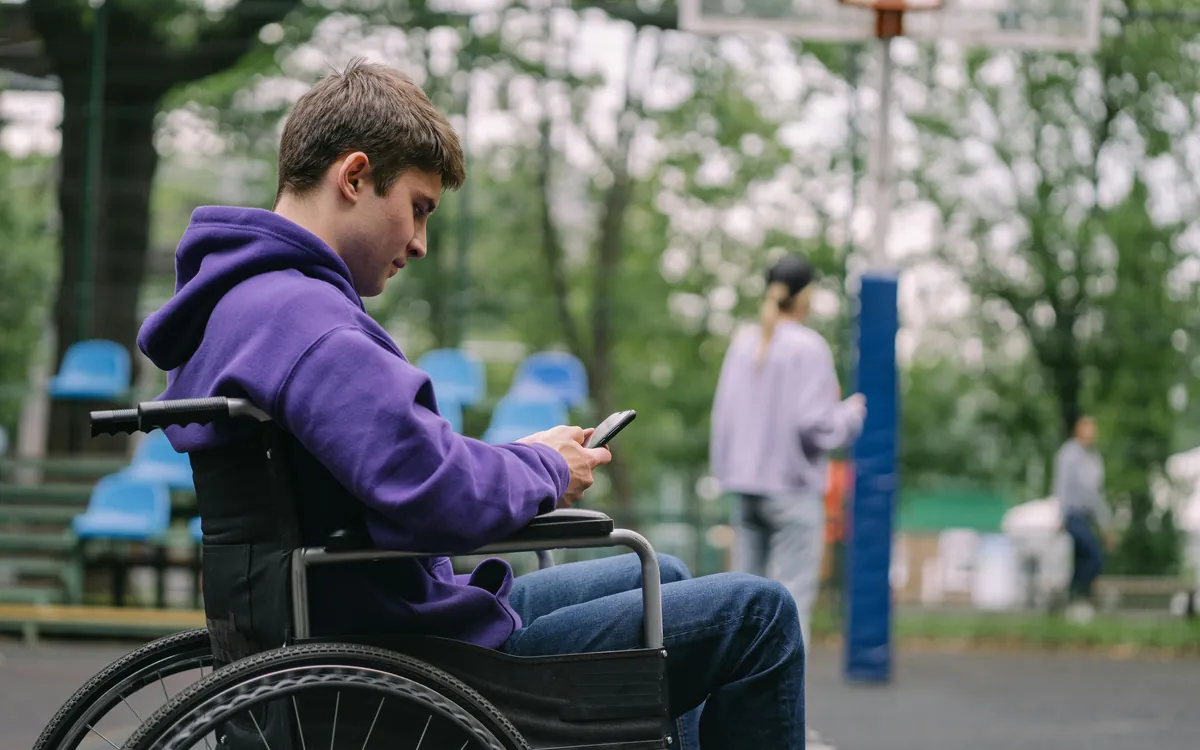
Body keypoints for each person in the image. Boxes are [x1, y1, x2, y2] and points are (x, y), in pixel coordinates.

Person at [137, 59, 806, 749]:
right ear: (356, 176)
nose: (421, 243)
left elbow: (401, 461)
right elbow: (429, 487)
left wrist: (526, 458)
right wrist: (543, 472)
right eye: (418, 208)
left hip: (363, 622)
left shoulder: (249, 302)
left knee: (664, 579)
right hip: (416, 660)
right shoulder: (311, 323)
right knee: (760, 616)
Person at [709, 255, 866, 651]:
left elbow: (723, 419)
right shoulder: (807, 346)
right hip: (792, 492)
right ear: (806, 294)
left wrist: (728, 473)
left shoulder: (744, 343)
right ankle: (783, 713)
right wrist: (849, 416)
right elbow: (815, 426)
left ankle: (736, 712)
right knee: (792, 606)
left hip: (745, 489)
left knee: (743, 609)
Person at [1052, 414, 1112, 623]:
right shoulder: (1068, 454)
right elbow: (1061, 485)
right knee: (1093, 555)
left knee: (1081, 560)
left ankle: (1069, 603)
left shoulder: (1093, 458)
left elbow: (1096, 494)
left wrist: (1106, 524)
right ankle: (1078, 598)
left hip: (1087, 516)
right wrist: (1059, 514)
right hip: (1072, 514)